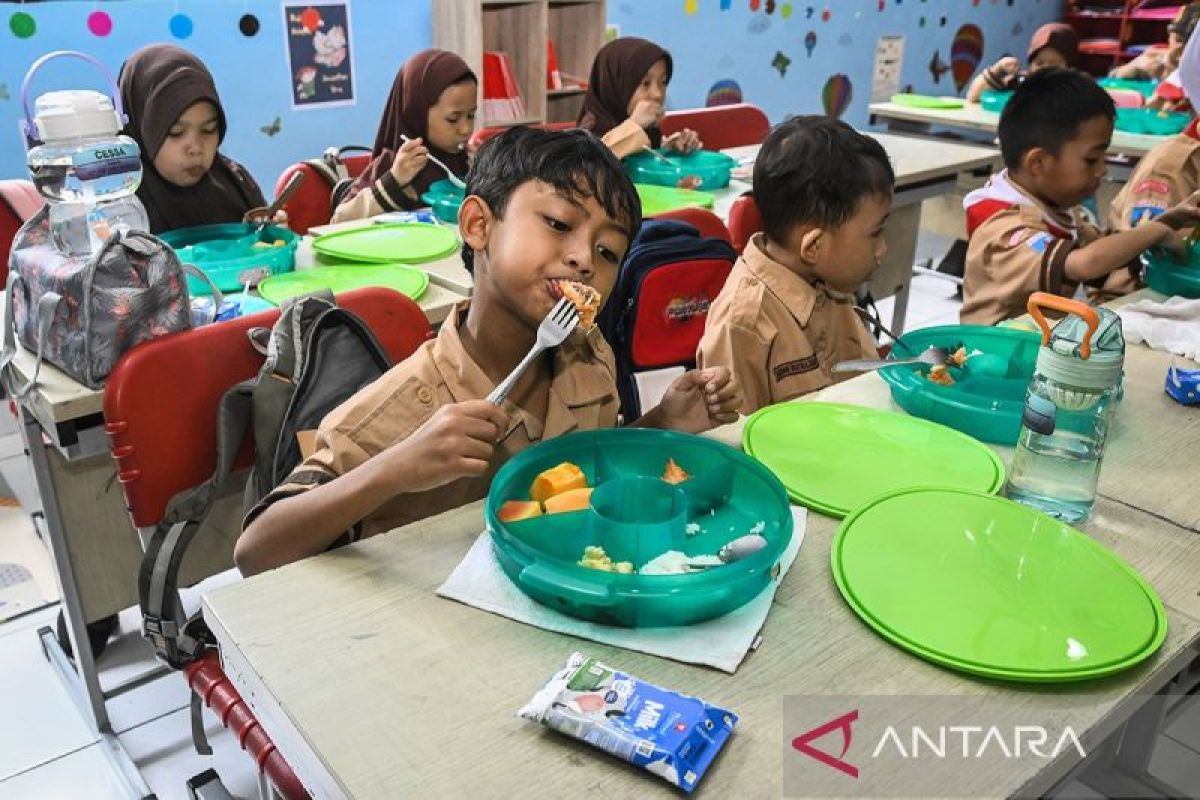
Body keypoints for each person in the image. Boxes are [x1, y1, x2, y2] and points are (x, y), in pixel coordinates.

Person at [236, 128, 742, 575]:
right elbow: (255, 550)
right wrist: (396, 467)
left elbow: (589, 470)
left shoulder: (590, 357)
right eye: (560, 225)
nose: (584, 259)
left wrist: (663, 423)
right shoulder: (406, 405)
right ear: (478, 225)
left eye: (608, 252)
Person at [962, 68, 1200, 326]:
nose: (1102, 169)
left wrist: (1170, 219)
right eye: (1091, 160)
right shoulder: (1004, 229)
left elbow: (1105, 252)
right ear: (1038, 162)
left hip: (1044, 348)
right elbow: (1085, 263)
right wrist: (1160, 229)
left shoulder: (1053, 209)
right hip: (992, 355)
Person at [696, 116, 891, 414]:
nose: (882, 250)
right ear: (814, 246)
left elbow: (864, 384)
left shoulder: (831, 284)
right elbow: (733, 441)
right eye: (875, 233)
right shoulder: (743, 324)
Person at [118, 44, 277, 233]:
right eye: (175, 132)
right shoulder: (120, 206)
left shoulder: (235, 184)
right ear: (141, 130)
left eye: (209, 130)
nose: (196, 148)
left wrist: (271, 234)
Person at [331, 49, 476, 223]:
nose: (466, 129)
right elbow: (338, 221)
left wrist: (485, 174)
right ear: (417, 114)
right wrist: (393, 182)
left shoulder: (465, 161)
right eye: (453, 119)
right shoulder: (397, 163)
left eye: (471, 115)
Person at [576, 37, 701, 159]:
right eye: (646, 83)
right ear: (615, 84)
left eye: (663, 82)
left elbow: (639, 162)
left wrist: (670, 149)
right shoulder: (587, 135)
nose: (657, 94)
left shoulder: (648, 130)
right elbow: (588, 168)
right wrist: (634, 124)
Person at [966, 23, 1079, 103]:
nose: (1045, 69)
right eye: (1039, 63)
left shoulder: (1078, 89)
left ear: (1069, 67)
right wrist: (997, 70)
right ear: (1030, 65)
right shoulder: (1022, 83)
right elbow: (974, 96)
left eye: (1054, 64)